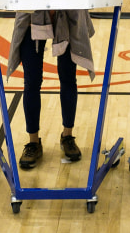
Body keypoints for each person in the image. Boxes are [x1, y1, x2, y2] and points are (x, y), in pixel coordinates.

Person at [6, 9, 95, 169]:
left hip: (68, 11)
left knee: (68, 77)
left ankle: (67, 136)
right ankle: (33, 142)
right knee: (31, 81)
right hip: (32, 12)